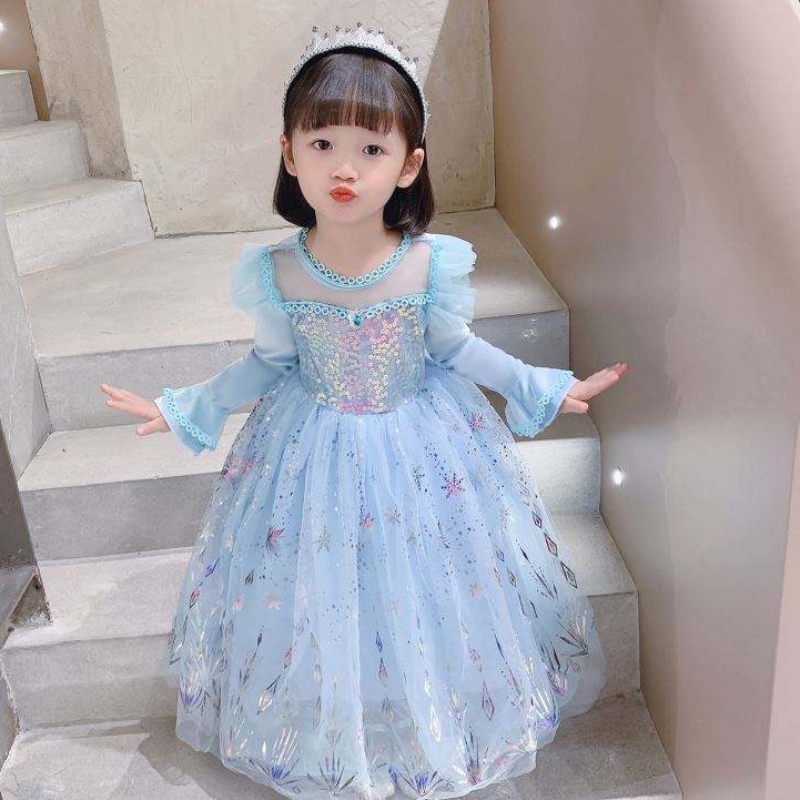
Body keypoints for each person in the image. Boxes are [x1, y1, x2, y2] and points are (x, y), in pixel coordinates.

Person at [100, 22, 628, 800]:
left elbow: (457, 349)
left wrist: (540, 386)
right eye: (322, 144)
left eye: (371, 148)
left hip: (419, 442)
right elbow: (268, 363)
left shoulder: (428, 262)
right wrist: (185, 409)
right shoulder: (280, 269)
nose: (343, 168)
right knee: (318, 583)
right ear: (289, 153)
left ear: (409, 164)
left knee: (426, 584)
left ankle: (422, 709)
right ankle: (330, 716)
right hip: (309, 444)